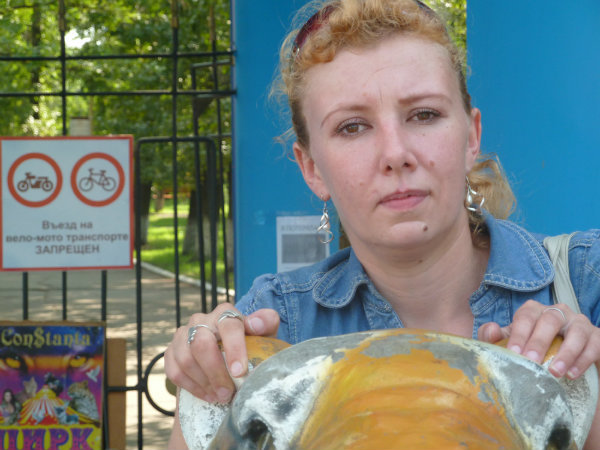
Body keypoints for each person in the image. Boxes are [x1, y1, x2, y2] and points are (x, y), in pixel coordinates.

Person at [165, 0, 600, 448]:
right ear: (311, 167)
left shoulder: (588, 283)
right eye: (352, 127)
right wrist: (207, 387)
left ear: (471, 136)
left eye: (424, 114)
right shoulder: (276, 322)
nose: (395, 154)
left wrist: (588, 385)